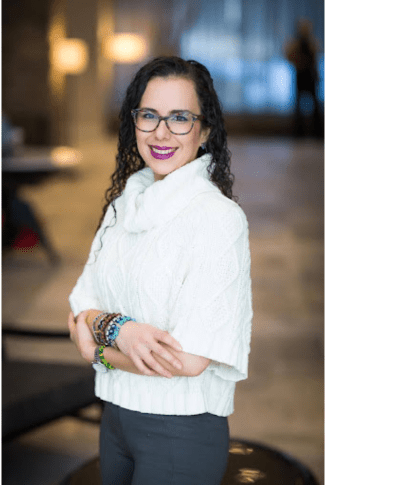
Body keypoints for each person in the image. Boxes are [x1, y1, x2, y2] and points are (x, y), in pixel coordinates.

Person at [68, 56, 253, 485]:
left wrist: (97, 347)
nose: (161, 132)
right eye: (149, 115)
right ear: (134, 121)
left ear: (205, 130)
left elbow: (185, 360)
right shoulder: (124, 204)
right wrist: (119, 329)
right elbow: (80, 304)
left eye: (180, 118)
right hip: (114, 418)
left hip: (179, 431)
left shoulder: (218, 220)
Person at [285, 18, 322, 137]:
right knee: (297, 107)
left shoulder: (312, 43)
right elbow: (289, 56)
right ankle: (298, 132)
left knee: (316, 107)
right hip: (300, 75)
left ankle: (318, 132)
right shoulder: (295, 44)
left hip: (310, 76)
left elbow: (317, 55)